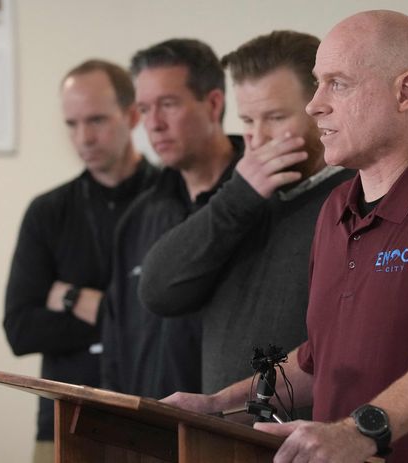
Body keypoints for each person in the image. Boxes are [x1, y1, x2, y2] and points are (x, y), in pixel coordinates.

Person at [161, 10, 408, 463]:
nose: (314, 104)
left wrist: (363, 430)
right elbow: (317, 359)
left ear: (405, 91)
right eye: (316, 83)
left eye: (337, 84)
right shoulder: (334, 210)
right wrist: (218, 405)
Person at [138, 30, 354, 398]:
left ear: (321, 107)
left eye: (274, 117)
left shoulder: (354, 197)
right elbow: (158, 291)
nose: (258, 138)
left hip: (303, 445)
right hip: (221, 440)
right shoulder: (243, 198)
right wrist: (237, 198)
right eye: (248, 120)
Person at [3, 59, 158, 463]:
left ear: (132, 115)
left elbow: (173, 325)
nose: (83, 137)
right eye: (72, 124)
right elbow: (21, 329)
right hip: (63, 423)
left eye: (96, 120)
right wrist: (123, 318)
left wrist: (70, 297)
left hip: (156, 420)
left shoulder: (172, 198)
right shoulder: (47, 211)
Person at [100, 39, 243, 399]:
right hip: (144, 434)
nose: (154, 125)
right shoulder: (139, 216)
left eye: (168, 104)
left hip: (228, 433)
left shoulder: (262, 202)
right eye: (145, 109)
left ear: (213, 104)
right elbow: (116, 343)